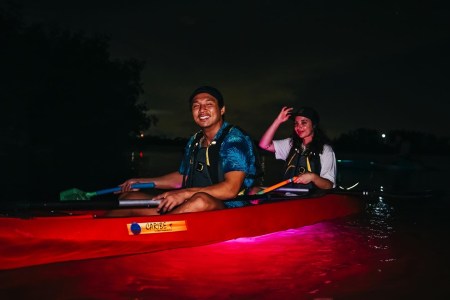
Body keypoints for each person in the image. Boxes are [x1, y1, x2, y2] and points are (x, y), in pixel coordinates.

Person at [118, 86, 257, 215]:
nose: (202, 109)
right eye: (196, 106)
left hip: (230, 209)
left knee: (200, 200)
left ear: (222, 110)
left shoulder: (235, 140)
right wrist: (140, 182)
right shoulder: (195, 140)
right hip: (191, 204)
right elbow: (183, 177)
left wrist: (184, 194)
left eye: (209, 104)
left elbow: (230, 189)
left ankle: (161, 230)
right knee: (129, 198)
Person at [258, 106, 336, 190]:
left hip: (310, 200)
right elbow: (264, 145)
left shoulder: (326, 150)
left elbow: (329, 185)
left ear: (314, 125)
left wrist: (313, 177)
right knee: (254, 190)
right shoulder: (290, 144)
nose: (299, 127)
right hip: (287, 197)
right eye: (296, 123)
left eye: (304, 122)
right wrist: (278, 121)